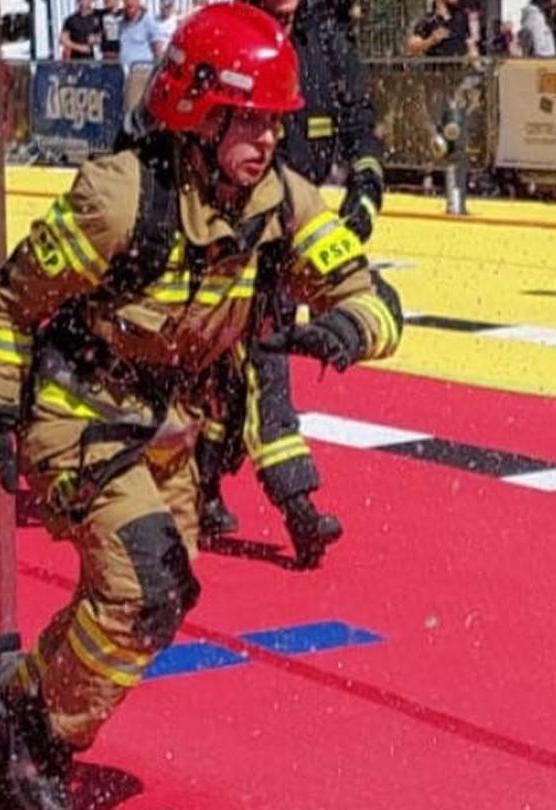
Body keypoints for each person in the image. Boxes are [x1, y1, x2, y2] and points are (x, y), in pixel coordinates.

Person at [0, 5, 402, 806]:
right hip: (80, 418)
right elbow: (17, 303)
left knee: (154, 602)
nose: (267, 142)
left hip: (175, 430)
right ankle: (38, 750)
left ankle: (18, 711)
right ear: (196, 111)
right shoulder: (119, 198)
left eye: (274, 124)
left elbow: (371, 295)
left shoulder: (281, 200)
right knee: (142, 585)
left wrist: (346, 327)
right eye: (248, 122)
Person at [172, 0, 386, 566]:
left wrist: (364, 191)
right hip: (224, 231)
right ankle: (287, 503)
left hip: (291, 229)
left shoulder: (327, 42)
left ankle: (232, 490)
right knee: (229, 370)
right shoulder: (226, 34)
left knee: (256, 362)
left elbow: (360, 122)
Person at [406, 0, 480, 57]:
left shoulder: (462, 17)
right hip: (437, 73)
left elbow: (471, 43)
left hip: (460, 72)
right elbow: (411, 47)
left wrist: (471, 50)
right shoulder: (428, 21)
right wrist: (431, 40)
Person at [116, 0, 166, 65]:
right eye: (126, 1)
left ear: (138, 2)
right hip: (123, 70)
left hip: (142, 71)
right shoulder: (121, 22)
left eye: (131, 5)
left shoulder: (148, 20)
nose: (128, 2)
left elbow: (158, 50)